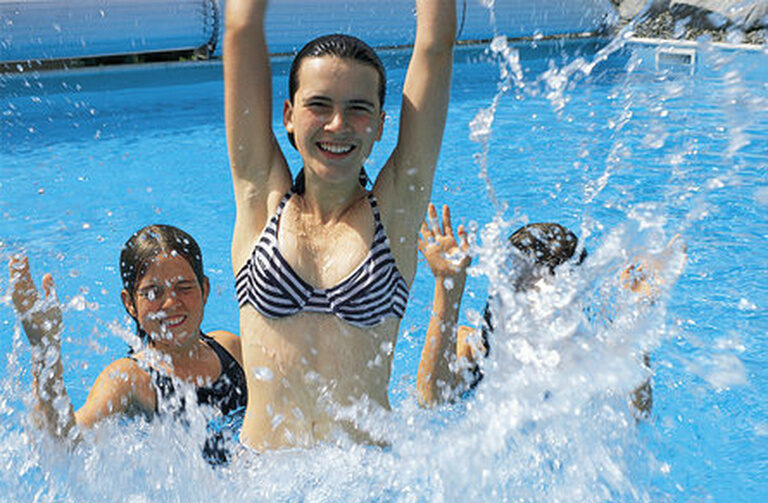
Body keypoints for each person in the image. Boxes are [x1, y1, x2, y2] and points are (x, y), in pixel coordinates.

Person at [224, 0, 456, 449]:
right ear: (289, 115)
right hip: (261, 491)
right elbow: (240, 27)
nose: (337, 124)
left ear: (381, 125)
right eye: (319, 105)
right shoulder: (261, 201)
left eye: (358, 109)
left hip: (366, 488)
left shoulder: (394, 215)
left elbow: (436, 48)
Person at [416, 203, 685, 416]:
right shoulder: (473, 348)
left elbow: (636, 413)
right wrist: (447, 289)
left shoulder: (578, 353)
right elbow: (431, 400)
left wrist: (636, 316)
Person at [9, 224, 246, 464]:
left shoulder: (230, 348)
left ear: (205, 289)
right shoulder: (128, 379)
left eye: (184, 288)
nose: (171, 303)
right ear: (130, 303)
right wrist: (44, 347)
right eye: (153, 292)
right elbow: (63, 443)